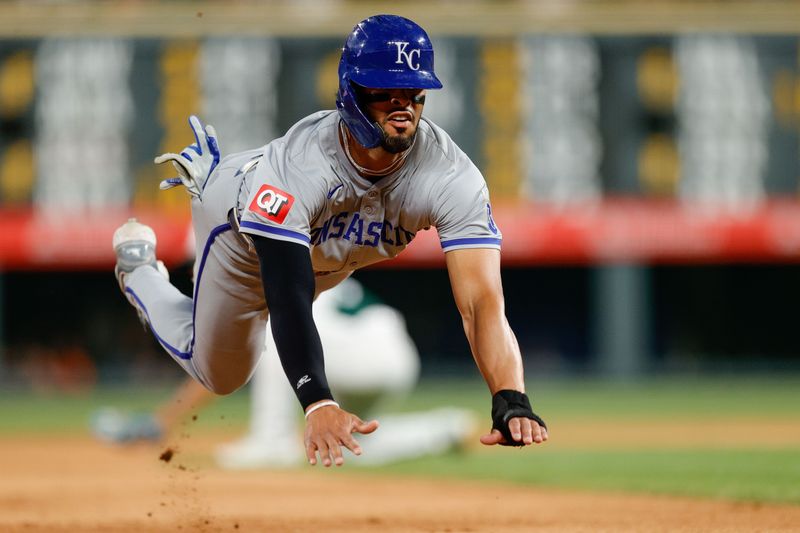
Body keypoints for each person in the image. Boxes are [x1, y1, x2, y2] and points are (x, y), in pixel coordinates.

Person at [112, 14, 547, 467]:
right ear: (350, 92)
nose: (403, 105)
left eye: (414, 91)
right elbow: (288, 296)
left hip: (321, 257)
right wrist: (318, 401)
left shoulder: (451, 177)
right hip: (241, 233)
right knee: (221, 375)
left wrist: (510, 394)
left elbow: (481, 303)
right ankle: (139, 273)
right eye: (384, 91)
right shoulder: (300, 170)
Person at [93, 279, 476, 467]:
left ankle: (270, 439)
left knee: (275, 334)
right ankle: (446, 427)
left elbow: (218, 366)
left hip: (355, 352)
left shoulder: (250, 263)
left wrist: (164, 419)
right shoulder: (294, 243)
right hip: (393, 353)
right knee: (354, 443)